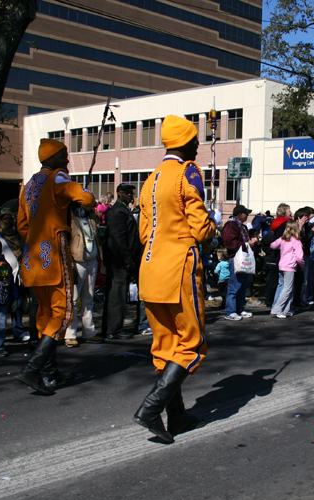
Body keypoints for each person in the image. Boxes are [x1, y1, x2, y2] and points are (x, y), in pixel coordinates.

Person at [133, 115, 216, 443]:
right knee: (191, 344)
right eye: (195, 140)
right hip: (179, 268)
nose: (197, 145)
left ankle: (176, 415)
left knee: (165, 345)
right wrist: (212, 233)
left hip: (150, 268)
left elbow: (143, 233)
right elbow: (199, 226)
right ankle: (151, 408)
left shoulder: (150, 177)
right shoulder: (188, 172)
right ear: (184, 143)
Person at [15, 139, 95, 394]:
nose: (67, 161)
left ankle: (49, 372)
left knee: (44, 314)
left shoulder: (28, 186)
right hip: (54, 253)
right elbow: (84, 197)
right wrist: (85, 199)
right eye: (63, 156)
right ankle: (33, 367)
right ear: (51, 158)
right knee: (62, 313)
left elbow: (22, 225)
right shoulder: (57, 178)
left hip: (33, 258)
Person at [103, 183, 140, 340]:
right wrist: (127, 258)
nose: (130, 195)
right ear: (119, 194)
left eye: (131, 193)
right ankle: (113, 329)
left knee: (118, 293)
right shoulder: (117, 211)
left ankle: (112, 327)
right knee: (117, 295)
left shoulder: (123, 209)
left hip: (121, 259)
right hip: (118, 260)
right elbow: (119, 238)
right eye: (126, 193)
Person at [66, 204, 105, 347]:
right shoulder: (71, 221)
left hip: (92, 261)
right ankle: (70, 334)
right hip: (77, 261)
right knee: (74, 299)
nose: (84, 208)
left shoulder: (92, 220)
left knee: (89, 298)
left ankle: (89, 332)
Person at [0, 208, 30, 344]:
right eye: (5, 218)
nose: (8, 221)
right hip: (3, 276)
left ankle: (18, 331)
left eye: (10, 218)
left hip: (19, 274)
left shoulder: (19, 235)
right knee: (1, 307)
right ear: (0, 220)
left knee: (18, 304)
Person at [222, 204, 258, 321]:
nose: (247, 215)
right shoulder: (231, 225)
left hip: (243, 258)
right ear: (240, 214)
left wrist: (251, 241)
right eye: (245, 213)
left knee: (242, 286)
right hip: (236, 258)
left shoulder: (241, 226)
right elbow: (229, 243)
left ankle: (239, 308)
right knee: (234, 285)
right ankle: (230, 311)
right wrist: (247, 244)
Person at [270, 220, 304, 318]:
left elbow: (273, 245)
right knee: (287, 289)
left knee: (287, 288)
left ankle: (285, 310)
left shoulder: (283, 239)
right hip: (290, 267)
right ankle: (277, 309)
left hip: (281, 265)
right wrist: (302, 266)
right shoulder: (296, 241)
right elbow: (299, 257)